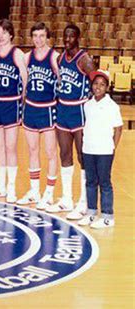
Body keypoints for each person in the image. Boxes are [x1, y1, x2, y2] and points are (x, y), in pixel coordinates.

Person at [46, 24, 95, 216]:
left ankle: (84, 201)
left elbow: (96, 83)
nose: (67, 40)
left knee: (83, 157)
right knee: (65, 155)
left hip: (79, 111)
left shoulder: (84, 60)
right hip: (63, 110)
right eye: (65, 37)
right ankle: (67, 198)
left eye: (71, 37)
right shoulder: (59, 58)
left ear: (78, 38)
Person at [0, 19, 27, 203]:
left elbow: (25, 80)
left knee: (11, 147)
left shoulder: (17, 54)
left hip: (12, 103)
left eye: (4, 32)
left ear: (11, 34)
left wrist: (22, 101)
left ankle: (11, 188)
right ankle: (0, 185)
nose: (0, 36)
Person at [17, 22, 59, 210]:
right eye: (35, 36)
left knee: (51, 152)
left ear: (47, 37)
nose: (38, 39)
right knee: (33, 151)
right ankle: (34, 191)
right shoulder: (27, 57)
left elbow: (61, 81)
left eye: (42, 36)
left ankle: (49, 193)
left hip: (48, 108)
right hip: (31, 108)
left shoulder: (54, 57)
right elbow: (24, 83)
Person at [77, 70, 122, 228]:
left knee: (104, 182)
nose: (98, 87)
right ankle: (91, 212)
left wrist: (112, 147)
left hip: (104, 150)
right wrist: (83, 146)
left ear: (107, 88)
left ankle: (107, 216)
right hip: (88, 148)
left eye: (102, 85)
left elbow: (118, 128)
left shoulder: (112, 106)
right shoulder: (87, 105)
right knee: (90, 182)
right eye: (95, 84)